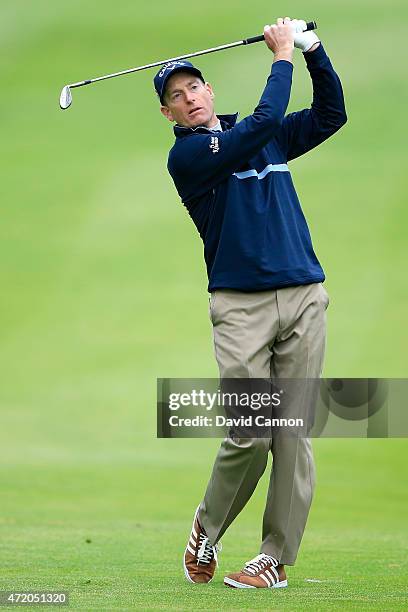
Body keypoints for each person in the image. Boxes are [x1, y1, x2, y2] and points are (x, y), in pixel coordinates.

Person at [154, 17, 346, 589]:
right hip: (240, 308)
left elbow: (331, 115)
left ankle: (273, 559)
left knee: (293, 432)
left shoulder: (268, 137)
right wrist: (281, 56)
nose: (188, 98)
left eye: (194, 87)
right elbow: (260, 123)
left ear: (210, 91)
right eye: (175, 96)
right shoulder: (191, 157)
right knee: (251, 430)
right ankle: (207, 529)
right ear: (168, 114)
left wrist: (314, 52)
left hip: (304, 295)